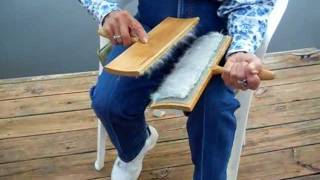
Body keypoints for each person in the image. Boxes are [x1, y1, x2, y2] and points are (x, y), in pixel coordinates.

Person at [79, 0, 275, 179]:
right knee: (108, 103)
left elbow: (252, 3)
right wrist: (106, 11)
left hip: (213, 38)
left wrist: (241, 48)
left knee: (214, 110)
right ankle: (135, 148)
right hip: (148, 32)